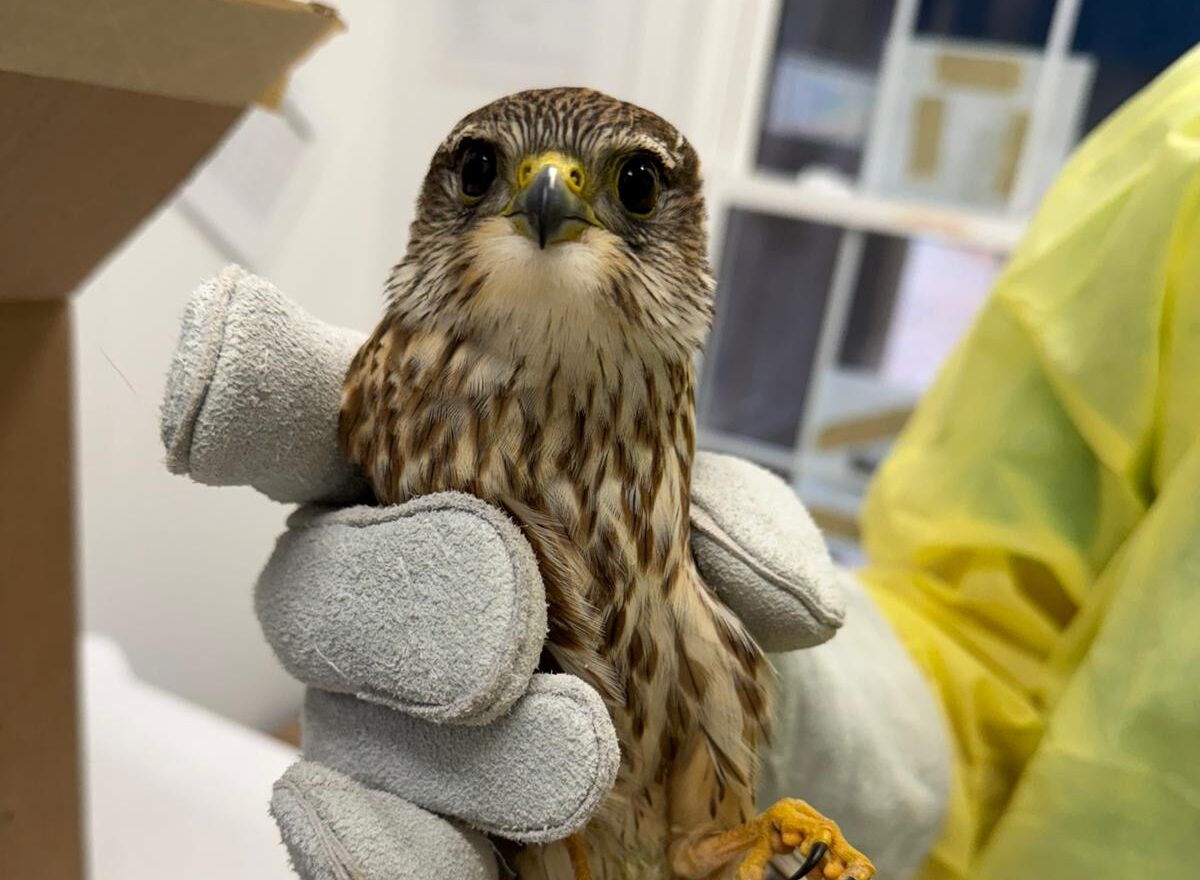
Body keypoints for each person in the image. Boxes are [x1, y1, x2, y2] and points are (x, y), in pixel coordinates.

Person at [161, 42, 1200, 880]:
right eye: (486, 172)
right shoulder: (1179, 157)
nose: (550, 196)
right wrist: (834, 726)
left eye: (636, 188)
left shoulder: (649, 379)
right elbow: (999, 616)